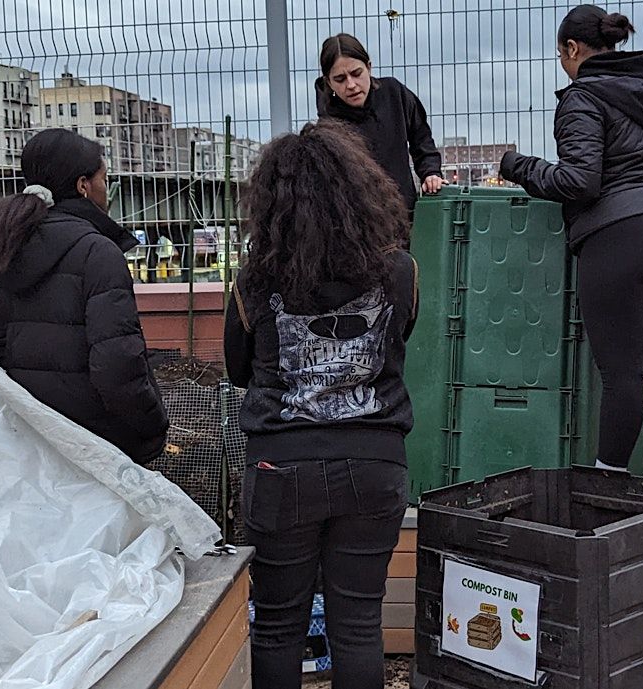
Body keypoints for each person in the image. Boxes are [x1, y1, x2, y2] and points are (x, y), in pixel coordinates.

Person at [224, 119, 418, 689]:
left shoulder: (253, 283)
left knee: (278, 625)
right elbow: (398, 343)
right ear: (361, 192)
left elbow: (239, 371)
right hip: (376, 464)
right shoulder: (401, 273)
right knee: (358, 625)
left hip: (280, 467)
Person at [498, 4, 643, 478]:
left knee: (621, 378)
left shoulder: (582, 96)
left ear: (573, 49)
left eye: (562, 56)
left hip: (620, 240)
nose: (564, 64)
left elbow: (579, 182)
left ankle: (608, 493)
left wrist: (518, 167)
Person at [0, 128, 169, 465]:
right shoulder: (98, 252)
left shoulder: (13, 246)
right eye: (103, 179)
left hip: (35, 441)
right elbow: (117, 366)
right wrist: (153, 425)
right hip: (99, 447)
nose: (106, 190)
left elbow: (0, 352)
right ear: (83, 186)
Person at [315, 32, 444, 228]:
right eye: (340, 79)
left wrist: (430, 173)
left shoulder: (394, 94)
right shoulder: (327, 127)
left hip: (406, 215)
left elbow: (421, 138)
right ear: (329, 82)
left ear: (369, 67)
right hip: (360, 229)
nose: (351, 85)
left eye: (356, 74)